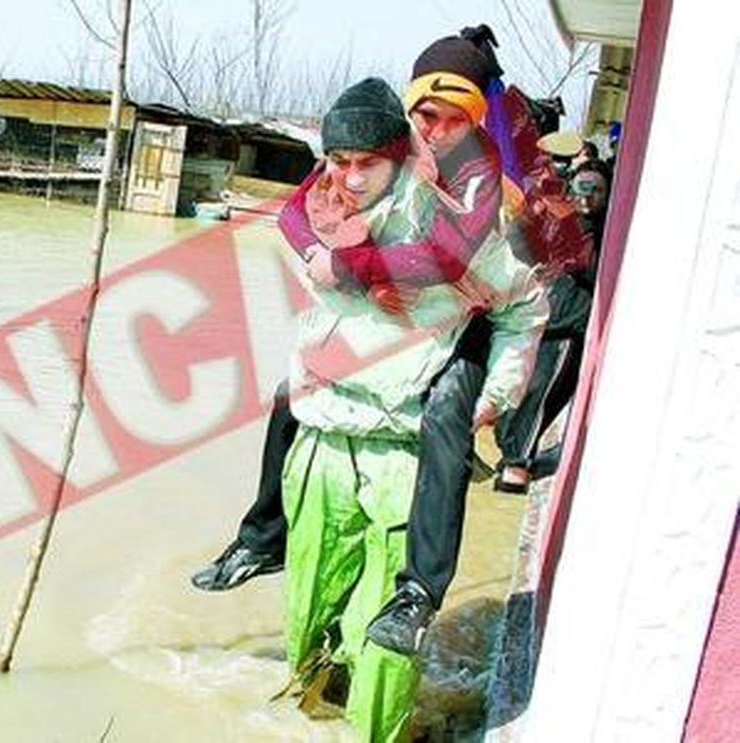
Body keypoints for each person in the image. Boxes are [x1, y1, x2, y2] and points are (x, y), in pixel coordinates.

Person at [194, 28, 523, 656]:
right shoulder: (376, 151)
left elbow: (452, 262)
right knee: (290, 392)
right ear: (409, 110)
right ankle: (262, 538)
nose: (439, 129)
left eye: (458, 118)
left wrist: (348, 268)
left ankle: (419, 593)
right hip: (386, 321)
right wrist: (322, 251)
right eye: (427, 112)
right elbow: (295, 213)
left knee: (449, 414)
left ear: (477, 120)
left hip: (468, 311)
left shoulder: (479, 174)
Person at [267, 77, 546, 741]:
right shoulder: (325, 212)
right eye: (341, 161)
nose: (353, 176)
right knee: (306, 603)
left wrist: (489, 398)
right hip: (324, 438)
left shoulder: (454, 231)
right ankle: (310, 704)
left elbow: (525, 306)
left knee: (388, 635)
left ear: (399, 154)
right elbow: (296, 233)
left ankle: (374, 733)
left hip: (404, 448)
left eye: (369, 163)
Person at [493, 159, 609, 490]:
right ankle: (512, 454)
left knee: (539, 395)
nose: (587, 195)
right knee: (515, 391)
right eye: (581, 186)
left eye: (596, 189)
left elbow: (592, 269)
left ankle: (518, 464)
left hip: (568, 328)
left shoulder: (605, 232)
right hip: (536, 319)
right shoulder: (557, 217)